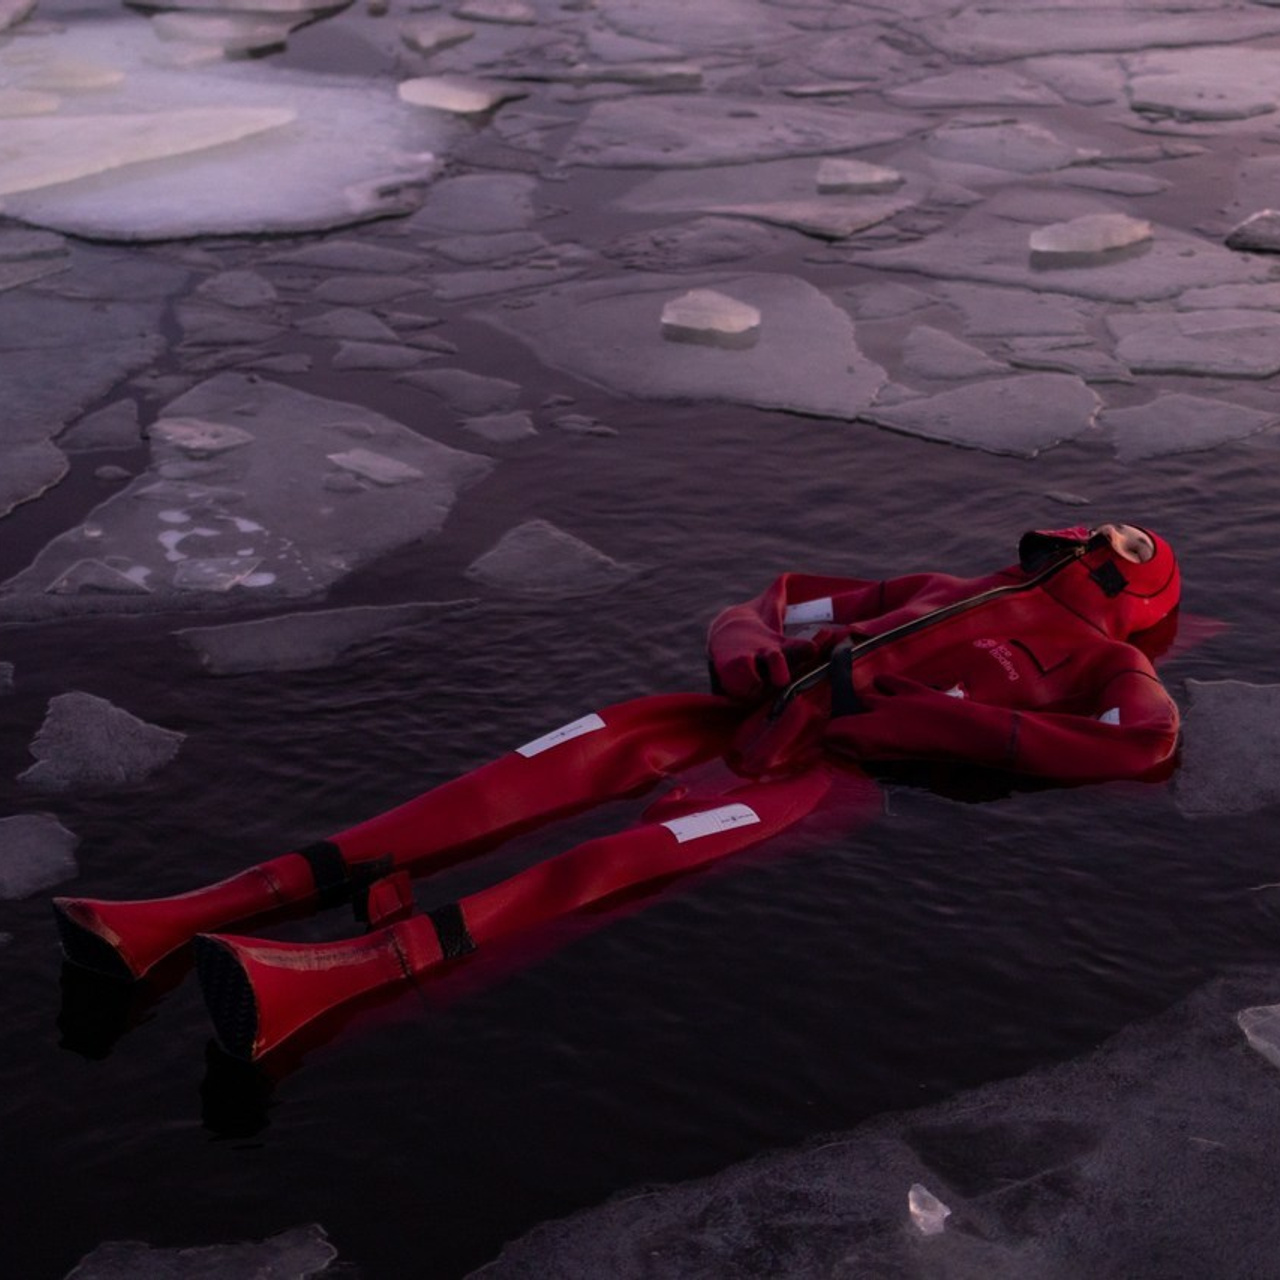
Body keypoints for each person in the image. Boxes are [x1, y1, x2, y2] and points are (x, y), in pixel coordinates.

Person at [53, 523, 1182, 1061]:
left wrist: (930, 721)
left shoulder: (1103, 670)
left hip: (805, 777)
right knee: (495, 788)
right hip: (717, 716)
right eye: (1067, 543)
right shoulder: (938, 586)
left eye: (1094, 559)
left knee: (611, 861)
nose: (1066, 557)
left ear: (1130, 596)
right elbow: (778, 593)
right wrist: (741, 649)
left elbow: (1136, 744)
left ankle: (340, 971)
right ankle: (192, 911)